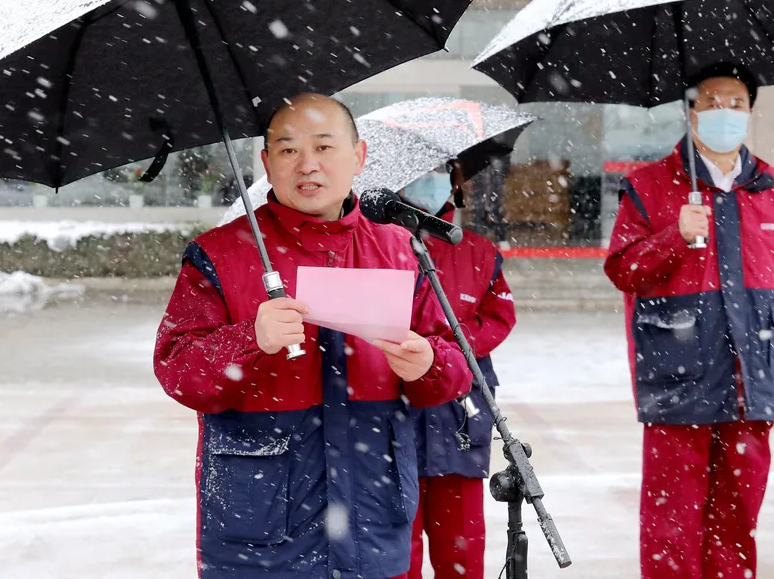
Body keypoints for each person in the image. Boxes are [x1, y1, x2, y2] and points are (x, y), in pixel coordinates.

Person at [154, 93, 473, 579]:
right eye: (287, 150)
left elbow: (456, 366)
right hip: (257, 527)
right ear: (265, 163)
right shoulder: (218, 254)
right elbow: (178, 371)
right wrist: (248, 341)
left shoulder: (401, 250)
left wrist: (429, 363)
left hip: (373, 512)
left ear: (359, 157)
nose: (307, 165)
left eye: (324, 147)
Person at [604, 62, 774, 579]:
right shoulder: (649, 186)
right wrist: (674, 233)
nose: (724, 113)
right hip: (677, 378)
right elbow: (623, 270)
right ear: (691, 112)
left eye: (736, 103)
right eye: (712, 102)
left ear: (751, 113)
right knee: (672, 522)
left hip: (752, 382)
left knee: (737, 521)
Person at [399, 162, 516, 579]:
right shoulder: (379, 245)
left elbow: (500, 315)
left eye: (440, 170)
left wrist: (453, 348)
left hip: (461, 414)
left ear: (454, 178)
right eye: (421, 170)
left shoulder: (480, 251)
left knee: (461, 548)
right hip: (395, 412)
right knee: (399, 547)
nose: (429, 178)